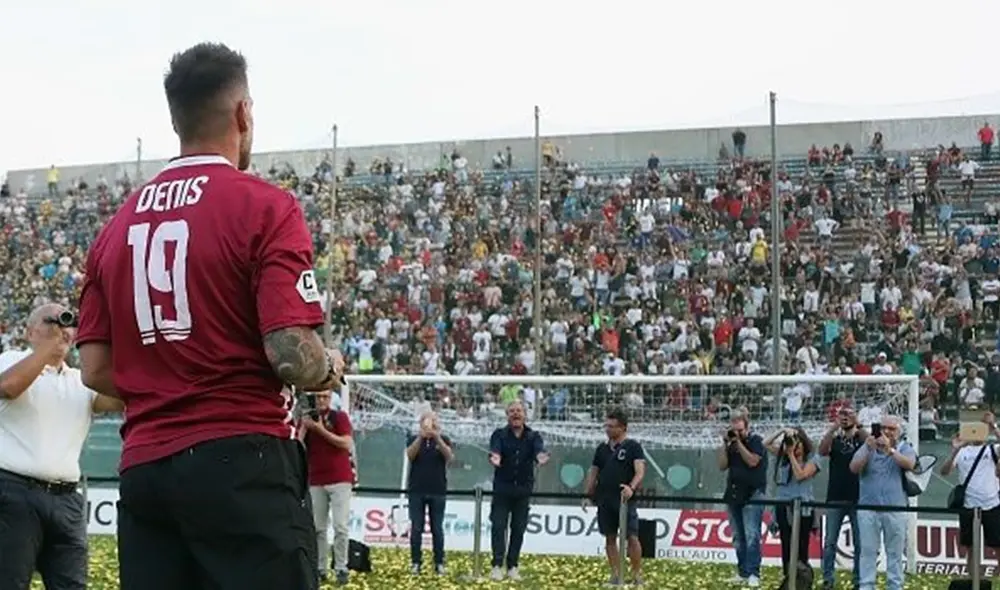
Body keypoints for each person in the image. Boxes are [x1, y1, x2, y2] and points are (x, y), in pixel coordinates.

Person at [75, 43, 344, 590]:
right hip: (243, 460)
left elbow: (95, 370)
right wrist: (328, 367)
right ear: (243, 113)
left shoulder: (114, 228)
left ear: (176, 119)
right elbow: (289, 350)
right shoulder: (267, 206)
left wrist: (166, 383)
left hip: (146, 471)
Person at [0, 304, 123, 590]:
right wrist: (49, 348)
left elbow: (121, 398)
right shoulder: (10, 359)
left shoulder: (79, 381)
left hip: (66, 497)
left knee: (71, 584)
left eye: (68, 323)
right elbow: (9, 386)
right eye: (50, 321)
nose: (61, 328)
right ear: (30, 332)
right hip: (14, 492)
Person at [582, 406, 646, 586]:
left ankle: (636, 574)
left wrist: (631, 487)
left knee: (631, 536)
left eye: (612, 426)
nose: (608, 429)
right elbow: (594, 472)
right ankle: (616, 574)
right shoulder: (601, 449)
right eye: (606, 426)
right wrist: (588, 494)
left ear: (622, 427)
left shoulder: (633, 446)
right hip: (604, 498)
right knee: (610, 537)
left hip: (625, 499)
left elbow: (640, 471)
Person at [849, 415, 915, 590]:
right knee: (868, 552)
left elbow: (910, 464)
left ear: (898, 432)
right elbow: (854, 468)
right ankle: (866, 586)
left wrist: (890, 450)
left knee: (895, 553)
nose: (886, 432)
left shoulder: (904, 448)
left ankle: (895, 586)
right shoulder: (867, 447)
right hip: (868, 508)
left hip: (895, 508)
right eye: (883, 427)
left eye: (891, 429)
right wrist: (868, 449)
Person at [488, 401, 550, 581]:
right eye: (512, 411)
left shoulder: (533, 436)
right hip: (502, 489)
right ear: (507, 415)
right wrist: (495, 458)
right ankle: (497, 565)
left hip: (523, 490)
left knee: (518, 529)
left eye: (519, 411)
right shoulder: (499, 434)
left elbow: (539, 452)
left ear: (525, 414)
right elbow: (495, 451)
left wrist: (541, 457)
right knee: (498, 527)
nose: (515, 414)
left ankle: (513, 565)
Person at [299, 390, 354, 585]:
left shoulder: (339, 417)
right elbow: (297, 445)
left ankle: (341, 566)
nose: (321, 401)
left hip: (339, 478)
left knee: (340, 526)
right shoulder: (309, 419)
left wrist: (320, 429)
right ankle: (320, 567)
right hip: (316, 479)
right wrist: (305, 427)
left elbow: (346, 443)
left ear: (331, 398)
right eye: (318, 397)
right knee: (317, 528)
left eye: (325, 397)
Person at [940, 412, 1000, 582]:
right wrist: (955, 450)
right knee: (971, 547)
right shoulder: (962, 451)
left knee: (997, 545)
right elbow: (945, 472)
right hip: (968, 505)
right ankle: (975, 581)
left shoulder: (992, 449)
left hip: (992, 503)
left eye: (980, 429)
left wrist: (994, 427)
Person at [817, 406, 866, 590]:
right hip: (835, 496)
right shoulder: (835, 440)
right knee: (830, 541)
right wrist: (832, 428)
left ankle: (858, 581)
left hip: (857, 497)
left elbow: (871, 441)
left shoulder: (861, 438)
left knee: (860, 544)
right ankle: (828, 580)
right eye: (842, 415)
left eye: (848, 415)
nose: (845, 418)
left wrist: (858, 425)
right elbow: (821, 451)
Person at [764, 427, 819, 586]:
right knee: (786, 544)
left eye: (798, 443)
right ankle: (789, 578)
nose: (795, 447)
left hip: (803, 508)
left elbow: (800, 475)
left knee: (801, 546)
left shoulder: (812, 459)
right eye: (793, 443)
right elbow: (766, 443)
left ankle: (802, 580)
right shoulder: (783, 457)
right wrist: (782, 431)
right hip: (783, 506)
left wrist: (791, 455)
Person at [718, 414, 767, 588]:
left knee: (752, 534)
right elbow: (722, 465)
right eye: (734, 430)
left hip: (753, 493)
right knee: (738, 536)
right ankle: (743, 571)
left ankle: (754, 572)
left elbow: (753, 461)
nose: (736, 433)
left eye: (740, 430)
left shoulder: (756, 441)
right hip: (734, 493)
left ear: (747, 427)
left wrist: (738, 442)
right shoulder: (730, 445)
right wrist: (725, 444)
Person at [405, 411, 454, 576]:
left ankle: (439, 562)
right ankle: (415, 562)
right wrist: (421, 436)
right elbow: (410, 455)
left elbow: (449, 456)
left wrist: (436, 437)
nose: (429, 425)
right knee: (416, 528)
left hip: (438, 490)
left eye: (433, 421)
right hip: (417, 490)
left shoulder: (443, 439)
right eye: (426, 422)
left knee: (437, 529)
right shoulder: (413, 438)